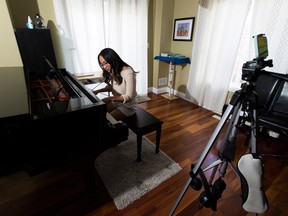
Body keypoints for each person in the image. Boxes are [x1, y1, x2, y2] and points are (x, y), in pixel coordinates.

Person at [93, 48, 138, 121]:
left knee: (107, 120)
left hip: (128, 107)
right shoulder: (114, 69)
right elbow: (113, 87)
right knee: (99, 112)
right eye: (102, 65)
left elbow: (129, 97)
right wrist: (98, 91)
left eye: (106, 63)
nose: (104, 67)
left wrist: (110, 98)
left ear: (112, 59)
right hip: (117, 102)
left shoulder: (128, 72)